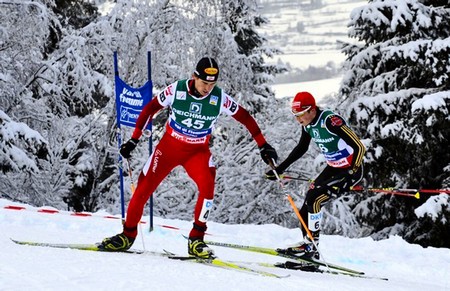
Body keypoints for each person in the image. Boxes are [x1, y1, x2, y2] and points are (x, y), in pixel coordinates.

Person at [100, 57, 278, 259]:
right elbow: (150, 109)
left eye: (212, 84)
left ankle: (196, 240)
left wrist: (263, 144)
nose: (207, 88)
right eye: (204, 82)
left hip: (197, 152)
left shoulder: (219, 98)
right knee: (143, 188)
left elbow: (244, 116)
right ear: (194, 77)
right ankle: (127, 235)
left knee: (208, 186)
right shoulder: (178, 89)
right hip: (169, 148)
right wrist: (134, 139)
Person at [266, 91, 365, 261]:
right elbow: (301, 148)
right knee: (306, 205)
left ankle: (313, 249)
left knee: (316, 200)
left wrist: (350, 174)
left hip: (350, 170)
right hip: (333, 168)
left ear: (311, 110)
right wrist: (280, 169)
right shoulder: (308, 124)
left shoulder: (330, 121)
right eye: (295, 116)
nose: (298, 120)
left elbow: (359, 147)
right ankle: (307, 245)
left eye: (300, 115)